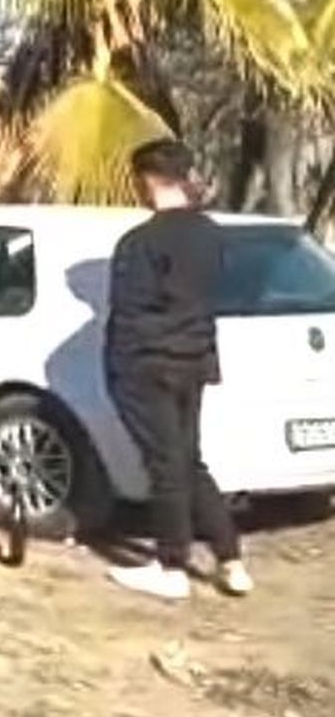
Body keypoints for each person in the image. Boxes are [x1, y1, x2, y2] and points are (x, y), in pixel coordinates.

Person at [105, 139, 251, 600]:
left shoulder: (140, 242)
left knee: (165, 465)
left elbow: (126, 312)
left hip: (149, 362)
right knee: (189, 459)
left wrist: (118, 369)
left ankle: (171, 567)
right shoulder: (212, 233)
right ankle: (231, 559)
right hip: (195, 359)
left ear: (147, 180)